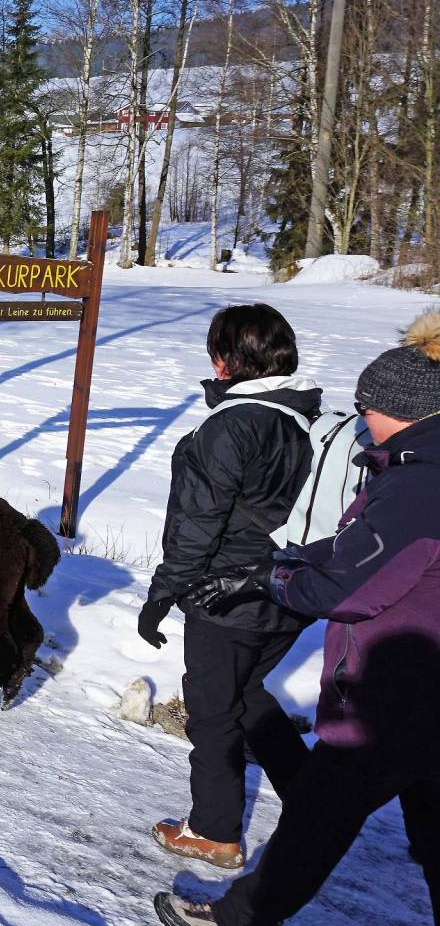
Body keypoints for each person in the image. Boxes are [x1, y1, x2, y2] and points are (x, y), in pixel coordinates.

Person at [153, 309, 440, 926]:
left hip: (384, 681)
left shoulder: (417, 481)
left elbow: (346, 583)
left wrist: (248, 577)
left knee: (224, 715)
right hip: (402, 669)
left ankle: (222, 862)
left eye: (369, 408)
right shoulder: (339, 432)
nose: (362, 421)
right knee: (259, 705)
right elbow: (352, 543)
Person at [140, 304, 318, 871]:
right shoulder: (311, 417)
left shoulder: (232, 425)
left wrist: (163, 591)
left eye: (215, 351)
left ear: (228, 361)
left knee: (214, 710)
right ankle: (320, 803)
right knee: (249, 696)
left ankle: (215, 832)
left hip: (227, 595)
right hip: (292, 588)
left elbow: (198, 524)